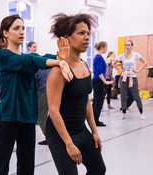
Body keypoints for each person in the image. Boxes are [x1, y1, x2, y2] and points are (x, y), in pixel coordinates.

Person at [0, 14, 73, 175]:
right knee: (0, 167)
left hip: (27, 118)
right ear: (6, 33)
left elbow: (37, 58)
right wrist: (58, 61)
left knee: (27, 166)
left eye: (23, 28)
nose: (21, 31)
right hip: (6, 118)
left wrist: (60, 57)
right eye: (16, 28)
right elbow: (29, 61)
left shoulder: (28, 57)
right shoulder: (2, 56)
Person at [46, 13, 106, 175]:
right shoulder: (58, 71)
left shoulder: (84, 64)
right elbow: (53, 111)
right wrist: (69, 143)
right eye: (81, 33)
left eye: (88, 33)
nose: (87, 38)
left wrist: (94, 131)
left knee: (98, 169)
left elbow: (86, 101)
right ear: (66, 39)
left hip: (81, 130)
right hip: (60, 134)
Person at [113, 40, 147, 120]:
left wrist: (138, 70)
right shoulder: (122, 56)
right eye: (126, 45)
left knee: (136, 96)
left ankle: (141, 113)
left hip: (133, 77)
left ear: (132, 46)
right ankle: (124, 114)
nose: (127, 47)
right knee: (123, 96)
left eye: (129, 45)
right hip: (124, 77)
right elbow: (114, 63)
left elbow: (145, 62)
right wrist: (120, 70)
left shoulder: (136, 55)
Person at [28, 41, 49, 145]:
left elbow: (33, 81)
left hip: (42, 93)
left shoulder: (36, 65)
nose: (35, 48)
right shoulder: (40, 62)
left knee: (41, 118)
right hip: (45, 93)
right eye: (33, 47)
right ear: (29, 48)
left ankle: (50, 138)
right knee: (43, 117)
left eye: (36, 47)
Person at [92, 41, 113, 127]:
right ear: (103, 47)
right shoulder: (100, 58)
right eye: (106, 47)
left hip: (95, 80)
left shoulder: (97, 57)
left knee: (96, 101)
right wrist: (105, 81)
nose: (107, 49)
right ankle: (96, 121)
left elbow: (97, 70)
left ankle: (93, 120)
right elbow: (99, 71)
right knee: (99, 102)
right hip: (98, 81)